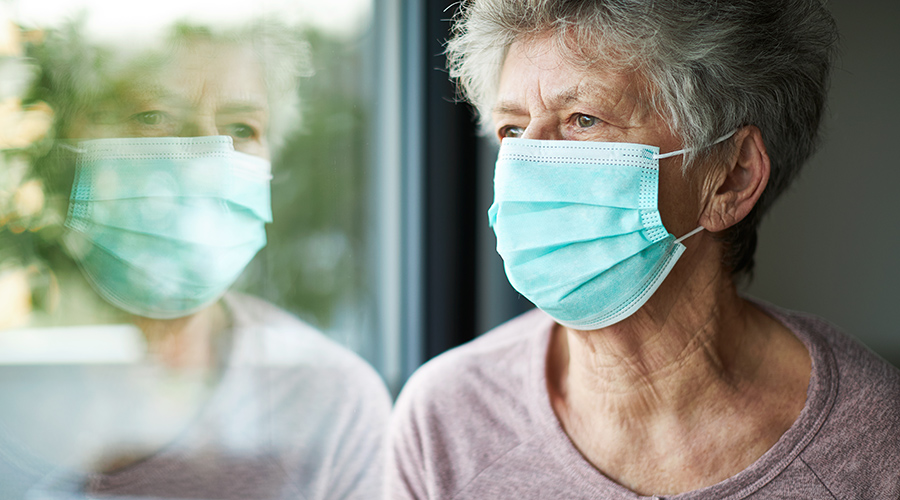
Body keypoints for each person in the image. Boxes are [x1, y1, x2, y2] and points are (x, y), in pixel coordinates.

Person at [386, 1, 900, 498]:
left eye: (583, 118)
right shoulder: (447, 421)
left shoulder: (875, 444)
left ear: (731, 177)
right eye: (513, 129)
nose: (527, 163)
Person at [0, 21, 390, 500]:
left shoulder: (327, 399)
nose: (209, 155)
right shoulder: (13, 383)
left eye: (242, 128)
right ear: (71, 148)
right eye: (154, 116)